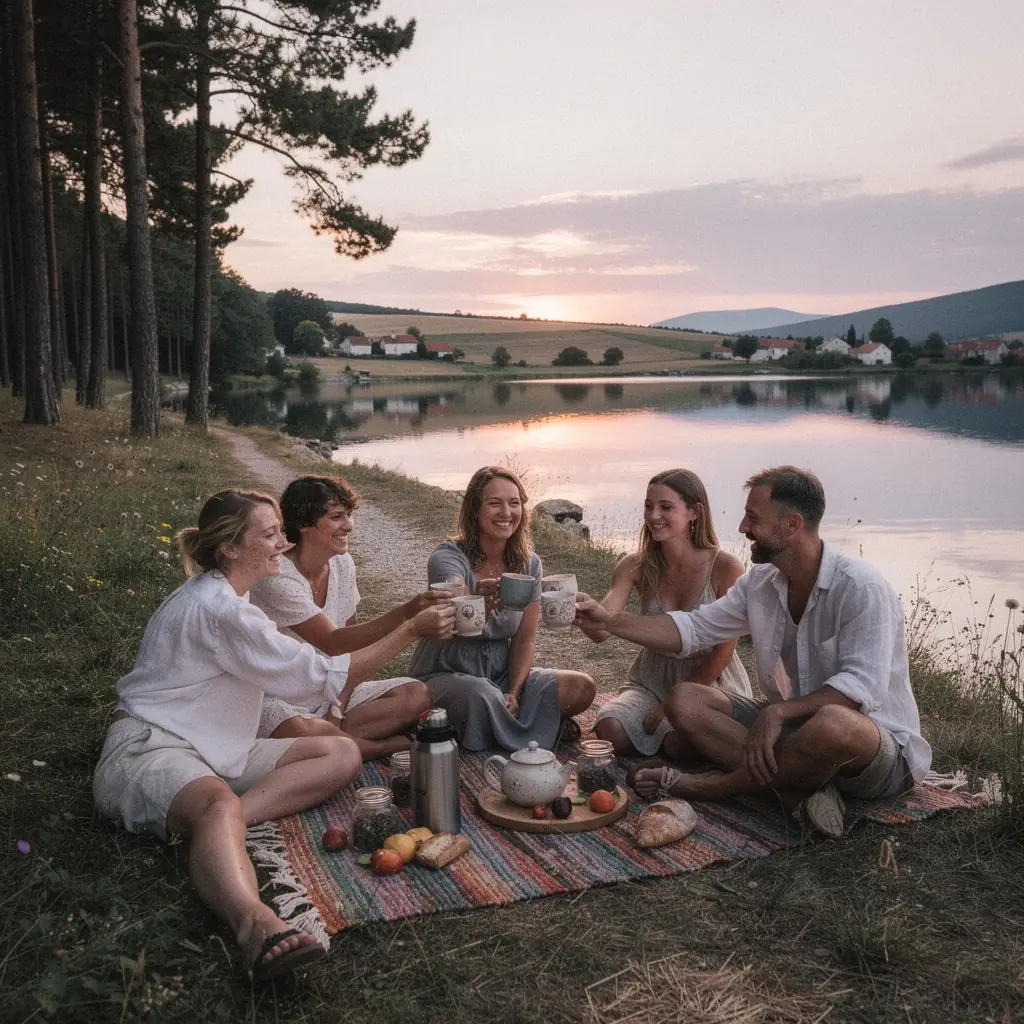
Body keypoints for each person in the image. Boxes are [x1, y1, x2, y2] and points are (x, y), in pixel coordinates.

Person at [93, 490, 437, 981]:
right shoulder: (221, 609)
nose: (284, 543)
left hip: (215, 745)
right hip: (151, 746)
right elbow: (321, 675)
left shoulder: (228, 596)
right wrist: (410, 630)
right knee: (217, 804)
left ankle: (222, 831)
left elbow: (321, 669)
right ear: (231, 548)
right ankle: (256, 924)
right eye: (271, 534)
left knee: (342, 754)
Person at [575, 466, 931, 839]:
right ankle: (799, 783)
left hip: (871, 747)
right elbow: (694, 629)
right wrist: (609, 620)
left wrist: (779, 711)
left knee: (833, 722)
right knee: (684, 699)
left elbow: (860, 691)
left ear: (791, 526)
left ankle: (714, 785)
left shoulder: (861, 588)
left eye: (753, 518)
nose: (743, 527)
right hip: (795, 731)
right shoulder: (761, 583)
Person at [249, 475, 454, 760]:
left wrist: (338, 705)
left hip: (331, 687)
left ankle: (331, 740)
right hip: (282, 695)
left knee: (415, 695)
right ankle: (388, 747)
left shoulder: (342, 562)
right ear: (304, 524)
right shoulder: (278, 577)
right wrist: (407, 615)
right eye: (336, 517)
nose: (348, 525)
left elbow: (351, 650)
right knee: (298, 728)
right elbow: (334, 642)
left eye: (349, 515)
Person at [409, 466, 595, 751]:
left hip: (501, 673)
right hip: (447, 671)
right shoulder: (447, 558)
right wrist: (479, 601)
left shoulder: (529, 564)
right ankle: (533, 730)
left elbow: (525, 638)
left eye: (514, 503)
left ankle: (493, 723)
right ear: (475, 509)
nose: (506, 512)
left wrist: (514, 691)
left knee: (581, 687)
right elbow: (455, 615)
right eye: (494, 503)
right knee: (479, 694)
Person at [580, 469, 751, 758]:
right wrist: (582, 613)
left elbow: (722, 654)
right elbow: (602, 630)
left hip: (709, 680)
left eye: (666, 507)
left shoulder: (726, 568)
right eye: (649, 506)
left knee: (679, 743)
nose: (653, 515)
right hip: (652, 679)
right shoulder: (634, 565)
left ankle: (667, 755)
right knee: (610, 727)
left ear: (694, 512)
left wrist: (671, 705)